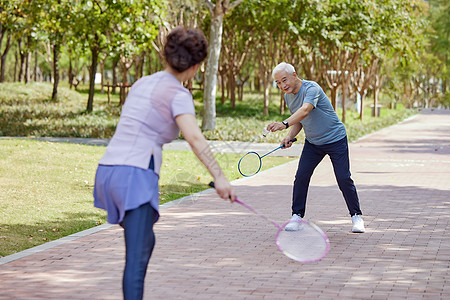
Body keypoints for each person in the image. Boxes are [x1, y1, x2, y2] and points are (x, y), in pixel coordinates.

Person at [93, 27, 236, 300]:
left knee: (146, 241)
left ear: (167, 56)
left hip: (108, 172)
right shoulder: (179, 95)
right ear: (195, 67)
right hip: (134, 175)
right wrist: (219, 176)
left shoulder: (142, 83)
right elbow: (193, 137)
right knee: (136, 259)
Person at [266, 62, 365, 233]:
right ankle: (296, 216)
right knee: (301, 177)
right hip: (314, 143)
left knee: (343, 178)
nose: (282, 86)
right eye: (278, 83)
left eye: (284, 80)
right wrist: (289, 137)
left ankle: (356, 216)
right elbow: (300, 120)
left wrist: (283, 124)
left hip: (336, 139)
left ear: (294, 75)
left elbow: (305, 110)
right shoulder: (288, 96)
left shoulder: (312, 88)